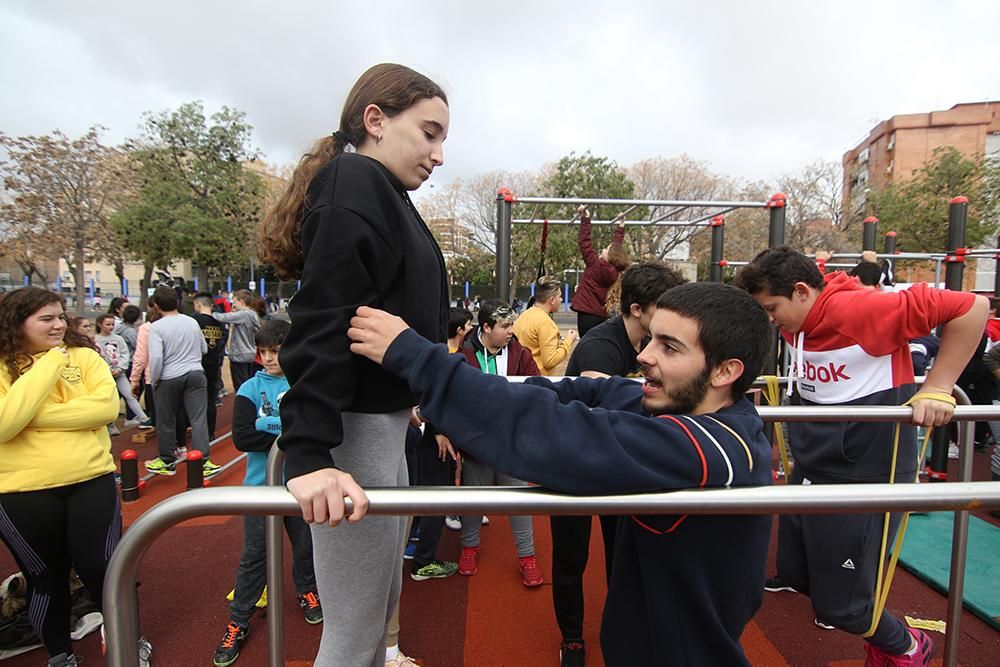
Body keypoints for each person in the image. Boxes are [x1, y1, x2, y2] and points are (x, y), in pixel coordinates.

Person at [346, 281, 775, 666]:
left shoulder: (708, 449)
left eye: (670, 347)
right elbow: (596, 391)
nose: (643, 356)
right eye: (651, 340)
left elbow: (554, 433)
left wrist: (417, 359)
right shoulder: (691, 408)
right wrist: (488, 389)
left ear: (725, 371)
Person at [257, 62, 449, 667]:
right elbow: (322, 316)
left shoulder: (383, 193)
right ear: (375, 120)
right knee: (353, 627)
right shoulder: (354, 179)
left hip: (384, 425)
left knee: (378, 608)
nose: (439, 154)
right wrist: (310, 453)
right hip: (353, 432)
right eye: (429, 132)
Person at [735, 247, 987, 667]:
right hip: (817, 466)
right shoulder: (797, 322)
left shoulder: (860, 308)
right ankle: (877, 628)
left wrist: (938, 387)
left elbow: (973, 307)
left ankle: (908, 647)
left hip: (866, 473)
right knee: (797, 575)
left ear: (800, 291)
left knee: (841, 609)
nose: (770, 318)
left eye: (772, 308)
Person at [0, 287, 152, 667]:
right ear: (18, 323)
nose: (58, 325)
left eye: (61, 316)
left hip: (89, 481)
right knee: (45, 578)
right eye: (46, 318)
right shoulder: (4, 365)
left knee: (105, 570)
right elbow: (3, 426)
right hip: (21, 491)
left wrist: (27, 419)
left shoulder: (85, 357)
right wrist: (49, 365)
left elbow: (103, 409)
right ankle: (60, 655)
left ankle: (129, 643)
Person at [554, 261, 685, 665]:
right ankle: (572, 640)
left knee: (623, 552)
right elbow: (610, 396)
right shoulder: (600, 346)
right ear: (636, 310)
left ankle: (624, 628)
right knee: (571, 557)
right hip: (573, 461)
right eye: (661, 309)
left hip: (615, 462)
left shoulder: (649, 345)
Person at [212, 319, 321, 667]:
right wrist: (290, 437)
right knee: (254, 556)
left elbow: (316, 432)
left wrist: (275, 434)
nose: (269, 358)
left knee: (306, 547)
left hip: (300, 487)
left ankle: (307, 591)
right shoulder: (248, 390)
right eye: (264, 352)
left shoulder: (305, 386)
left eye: (276, 351)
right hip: (260, 490)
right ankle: (238, 620)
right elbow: (243, 437)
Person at [454, 300, 543, 586]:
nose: (510, 331)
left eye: (511, 325)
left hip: (510, 442)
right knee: (472, 500)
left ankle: (527, 557)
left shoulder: (520, 353)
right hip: (477, 444)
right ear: (487, 327)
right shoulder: (463, 355)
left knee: (520, 501)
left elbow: (537, 387)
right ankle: (469, 549)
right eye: (505, 326)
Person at [143, 285, 221, 478]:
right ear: (177, 302)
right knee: (198, 417)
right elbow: (203, 348)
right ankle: (203, 460)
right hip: (195, 372)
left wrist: (154, 380)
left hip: (169, 376)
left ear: (156, 306)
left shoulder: (156, 327)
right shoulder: (191, 322)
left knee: (166, 419)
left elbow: (156, 359)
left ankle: (167, 460)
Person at [570, 206, 628, 338]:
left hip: (586, 313)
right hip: (601, 314)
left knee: (586, 342)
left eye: (606, 249)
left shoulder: (595, 265)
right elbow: (616, 245)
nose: (603, 249)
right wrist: (621, 226)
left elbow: (585, 243)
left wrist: (585, 219)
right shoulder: (615, 272)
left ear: (611, 256)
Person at [513, 275, 578, 376]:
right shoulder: (546, 324)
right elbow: (549, 361)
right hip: (540, 380)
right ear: (552, 300)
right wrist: (568, 341)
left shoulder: (524, 315)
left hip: (522, 376)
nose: (561, 300)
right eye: (559, 296)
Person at [94, 313, 149, 428]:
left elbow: (125, 353)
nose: (111, 327)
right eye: (108, 324)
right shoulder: (95, 339)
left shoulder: (118, 339)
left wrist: (120, 368)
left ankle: (143, 418)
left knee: (130, 394)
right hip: (104, 374)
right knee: (107, 398)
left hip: (119, 373)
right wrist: (108, 369)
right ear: (100, 324)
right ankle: (109, 423)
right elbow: (96, 356)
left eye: (112, 324)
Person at [212, 289, 263, 392]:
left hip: (240, 354)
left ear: (241, 302)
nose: (233, 305)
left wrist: (210, 313)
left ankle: (243, 405)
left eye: (234, 302)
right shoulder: (253, 314)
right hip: (250, 353)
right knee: (249, 383)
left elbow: (224, 317)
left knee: (241, 386)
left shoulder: (243, 314)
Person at [193, 293, 228, 440]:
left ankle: (199, 431)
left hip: (199, 363)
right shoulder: (219, 321)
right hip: (214, 362)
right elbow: (223, 339)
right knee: (211, 399)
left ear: (199, 305)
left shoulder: (194, 321)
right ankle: (210, 432)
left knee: (197, 399)